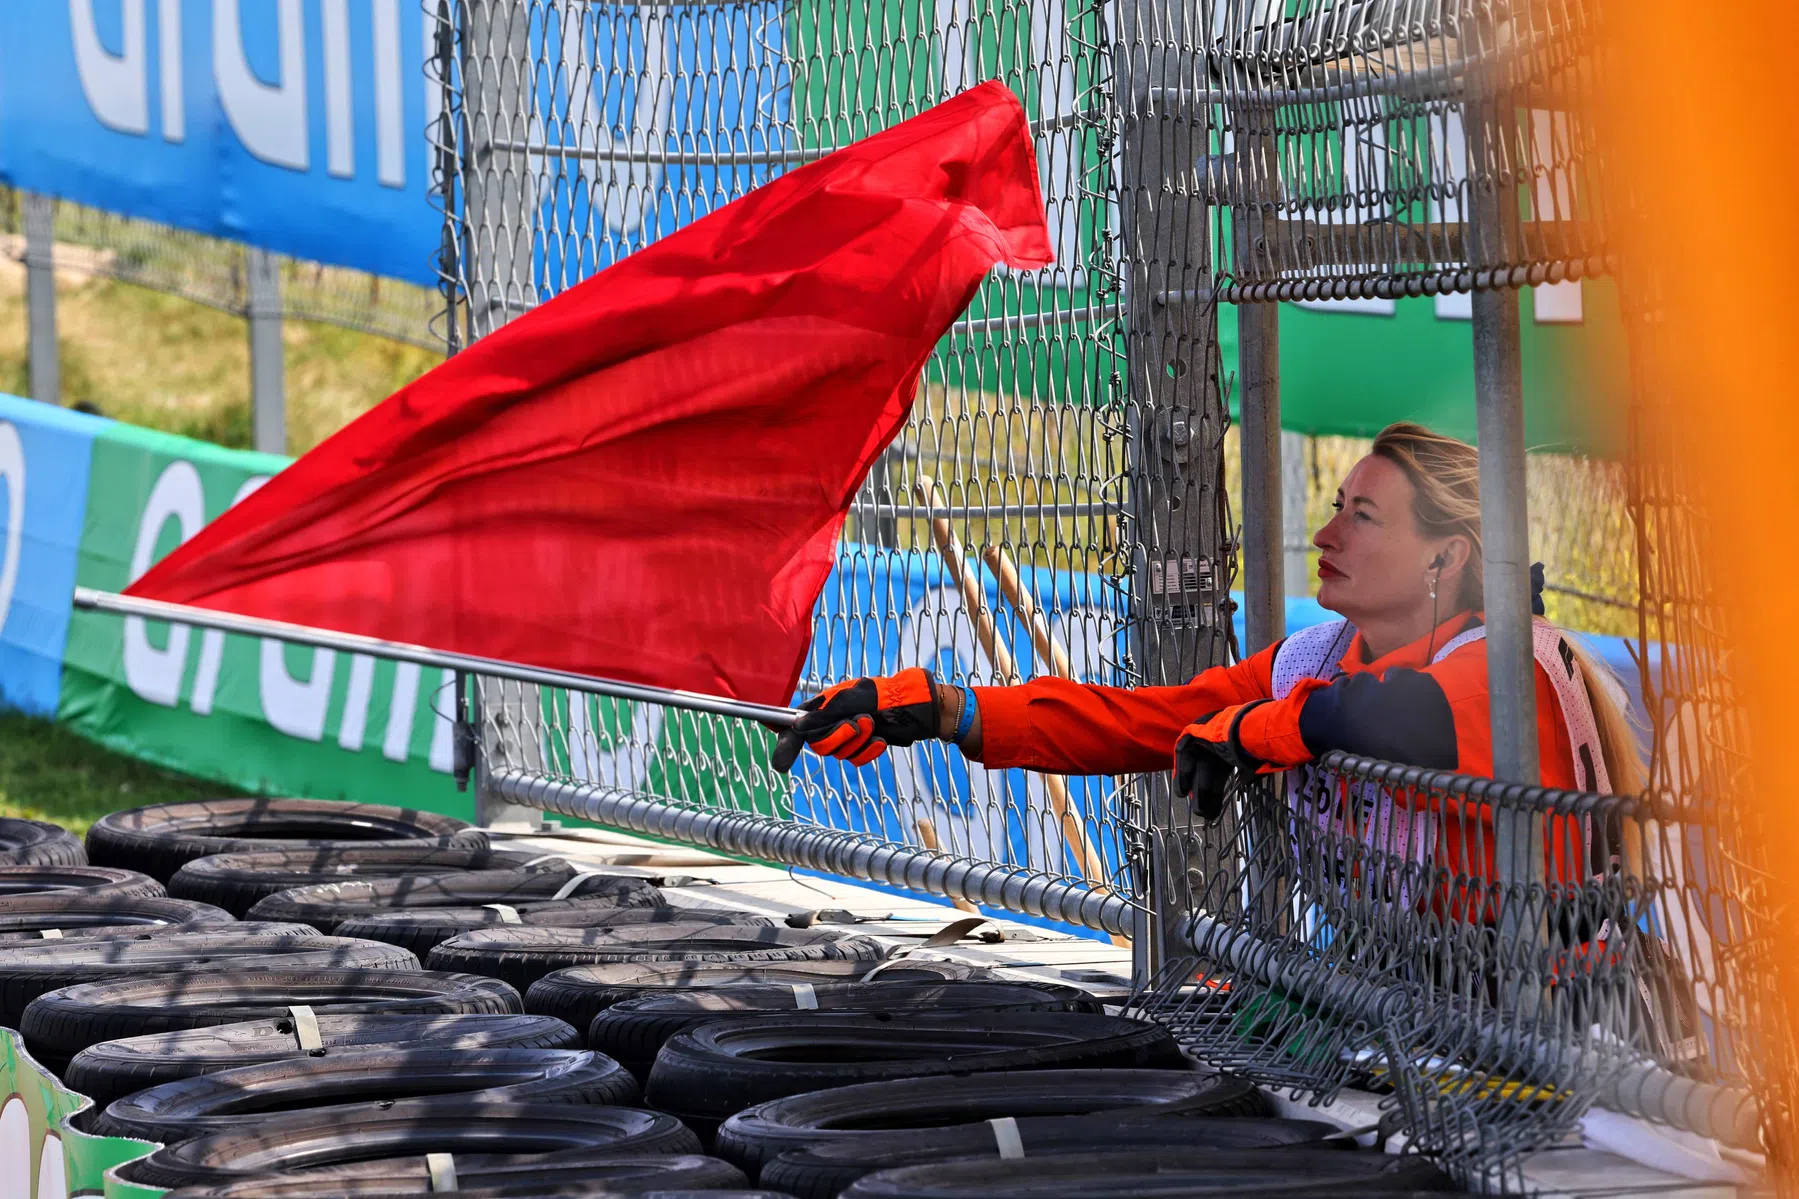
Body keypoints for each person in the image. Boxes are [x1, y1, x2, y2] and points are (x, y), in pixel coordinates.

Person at [770, 422, 1645, 886]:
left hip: (1559, 1039)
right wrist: (942, 707)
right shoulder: (1317, 655)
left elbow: (1389, 716)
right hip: (1408, 1015)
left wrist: (1258, 732)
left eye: (1363, 518)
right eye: (1335, 505)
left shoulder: (1517, 664)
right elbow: (1141, 722)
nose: (1325, 532)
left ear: (1446, 557)